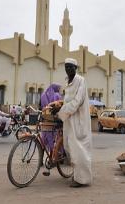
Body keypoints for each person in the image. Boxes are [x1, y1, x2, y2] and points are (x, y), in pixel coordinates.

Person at [57, 58, 92, 187]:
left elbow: (77, 102)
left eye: (71, 67)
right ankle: (77, 175)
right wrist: (60, 108)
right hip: (69, 120)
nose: (68, 69)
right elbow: (67, 100)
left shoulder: (81, 81)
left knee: (79, 150)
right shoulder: (67, 82)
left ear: (75, 68)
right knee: (69, 147)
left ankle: (82, 180)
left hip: (78, 121)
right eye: (66, 67)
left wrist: (61, 111)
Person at [40, 84, 62, 153]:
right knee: (55, 138)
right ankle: (55, 154)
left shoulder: (43, 94)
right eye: (58, 88)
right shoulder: (56, 95)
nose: (59, 90)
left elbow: (41, 106)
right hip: (53, 118)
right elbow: (59, 107)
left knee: (44, 138)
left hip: (45, 117)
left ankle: (42, 156)